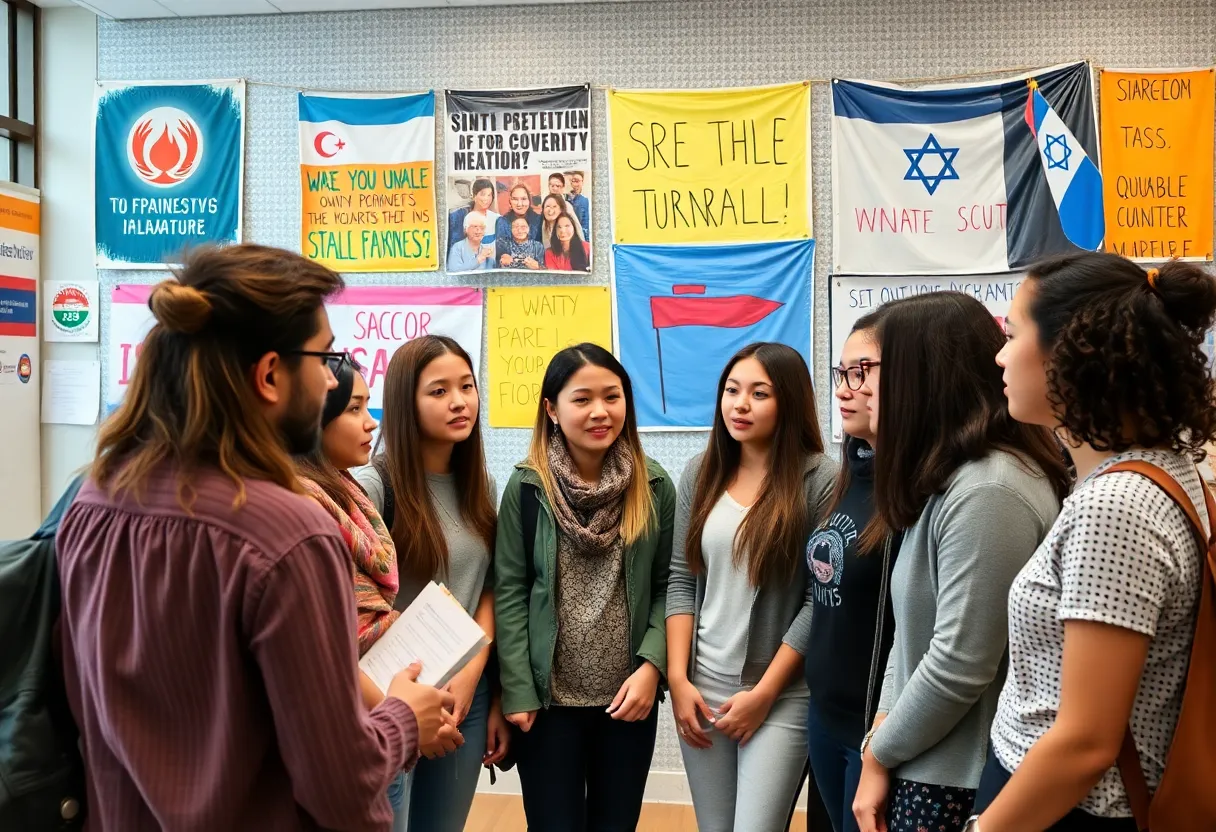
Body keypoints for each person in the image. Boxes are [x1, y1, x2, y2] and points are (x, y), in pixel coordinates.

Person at [55, 244, 453, 831]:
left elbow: (83, 715)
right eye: (324, 358)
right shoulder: (290, 534)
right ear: (269, 375)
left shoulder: (90, 503)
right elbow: (342, 789)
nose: (328, 380)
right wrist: (400, 719)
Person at [968, 255, 1216, 831]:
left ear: (1070, 353)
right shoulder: (1159, 474)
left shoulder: (1117, 506)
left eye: (1012, 334)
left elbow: (1085, 742)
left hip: (1071, 809)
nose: (1000, 356)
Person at [851, 292, 1070, 832]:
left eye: (878, 370)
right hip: (919, 758)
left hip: (956, 778)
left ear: (924, 378)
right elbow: (911, 640)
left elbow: (959, 663)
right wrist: (879, 741)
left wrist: (879, 754)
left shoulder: (990, 488)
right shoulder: (949, 479)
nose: (863, 388)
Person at [494, 343, 676, 831]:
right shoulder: (528, 487)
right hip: (549, 703)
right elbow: (509, 591)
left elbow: (667, 587)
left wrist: (652, 668)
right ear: (552, 409)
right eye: (582, 399)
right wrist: (517, 690)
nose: (600, 411)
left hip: (627, 700)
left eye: (612, 396)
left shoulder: (654, 485)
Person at [667, 343, 836, 831]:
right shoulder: (701, 471)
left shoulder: (819, 478)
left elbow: (816, 600)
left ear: (789, 401)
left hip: (779, 694)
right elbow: (682, 579)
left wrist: (763, 694)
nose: (739, 404)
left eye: (758, 393)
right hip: (701, 689)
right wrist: (678, 680)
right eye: (731, 390)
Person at [356, 335, 508, 832]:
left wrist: (473, 676)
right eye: (439, 391)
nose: (460, 401)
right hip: (393, 695)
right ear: (405, 401)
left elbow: (490, 587)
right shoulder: (375, 487)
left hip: (466, 693)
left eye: (466, 386)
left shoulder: (481, 486)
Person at [805, 312, 900, 832]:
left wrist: (880, 740)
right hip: (824, 713)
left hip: (873, 728)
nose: (846, 387)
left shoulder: (916, 488)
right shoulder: (852, 468)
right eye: (842, 372)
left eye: (863, 370)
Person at [447, 177, 500, 249]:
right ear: (474, 196)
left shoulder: (497, 218)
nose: (486, 198)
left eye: (489, 195)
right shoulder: (459, 216)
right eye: (482, 194)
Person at [566, 170, 590, 241]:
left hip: (579, 237)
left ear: (582, 182)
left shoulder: (585, 200)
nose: (576, 184)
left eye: (578, 181)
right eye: (574, 181)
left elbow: (586, 223)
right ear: (571, 183)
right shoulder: (565, 199)